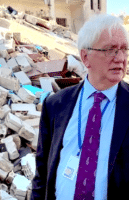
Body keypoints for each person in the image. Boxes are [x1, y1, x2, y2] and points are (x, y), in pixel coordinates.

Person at [31, 14, 129, 200]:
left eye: (124, 49)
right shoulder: (55, 105)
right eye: (110, 50)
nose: (120, 58)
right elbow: (42, 174)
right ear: (86, 57)